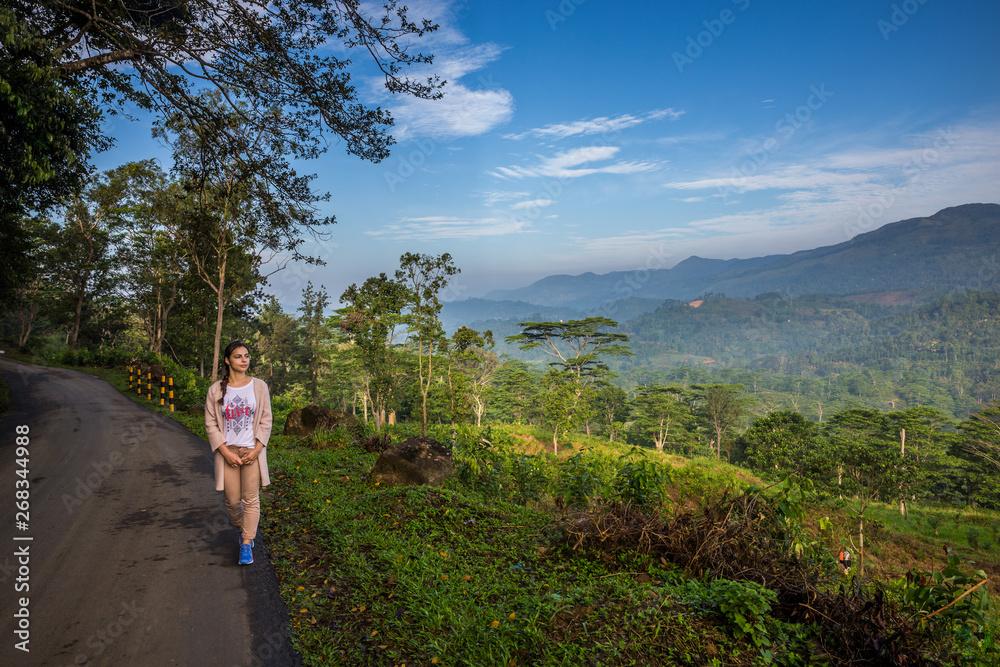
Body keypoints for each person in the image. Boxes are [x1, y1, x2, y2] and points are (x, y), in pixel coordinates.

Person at [205, 341, 272, 565]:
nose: (244, 360)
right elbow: (211, 424)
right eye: (238, 357)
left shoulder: (259, 386)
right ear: (227, 360)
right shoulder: (215, 390)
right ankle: (243, 529)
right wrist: (225, 451)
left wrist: (257, 449)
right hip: (229, 452)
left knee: (251, 499)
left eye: (246, 356)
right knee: (233, 502)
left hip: (251, 450)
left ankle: (246, 544)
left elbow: (266, 420)